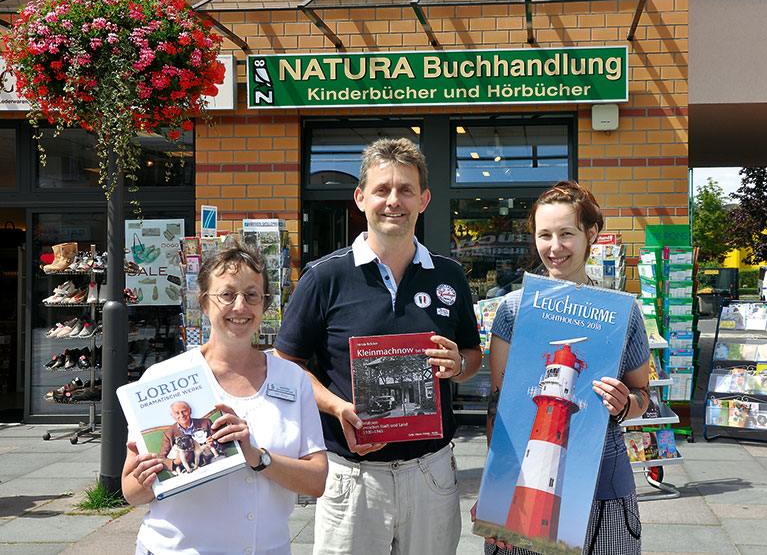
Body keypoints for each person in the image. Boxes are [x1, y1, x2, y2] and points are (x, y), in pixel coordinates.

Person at [273, 137, 482, 555]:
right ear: (361, 197)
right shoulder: (323, 277)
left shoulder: (449, 275)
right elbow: (284, 364)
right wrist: (337, 408)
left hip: (432, 472)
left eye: (405, 189)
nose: (394, 201)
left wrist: (458, 363)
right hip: (353, 477)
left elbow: (472, 356)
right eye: (382, 189)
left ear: (423, 199)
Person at [122, 240, 328, 555]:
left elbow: (317, 481)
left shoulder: (293, 379)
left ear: (265, 304)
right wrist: (146, 477)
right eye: (227, 295)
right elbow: (132, 492)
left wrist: (256, 456)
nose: (240, 307)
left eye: (252, 295)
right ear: (204, 303)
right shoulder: (163, 381)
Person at [479, 181, 651, 555]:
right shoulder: (512, 309)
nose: (554, 248)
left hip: (603, 487)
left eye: (566, 234)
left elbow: (643, 397)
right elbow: (500, 403)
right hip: (525, 484)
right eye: (545, 235)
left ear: (591, 233)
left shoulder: (622, 312)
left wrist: (626, 404)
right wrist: (494, 491)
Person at [157, 400, 214, 473]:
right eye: (177, 413)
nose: (181, 415)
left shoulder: (206, 423)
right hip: (186, 469)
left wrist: (214, 444)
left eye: (184, 411)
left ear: (190, 411)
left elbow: (220, 441)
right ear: (173, 416)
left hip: (209, 460)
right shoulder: (168, 434)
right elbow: (160, 459)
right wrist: (176, 462)